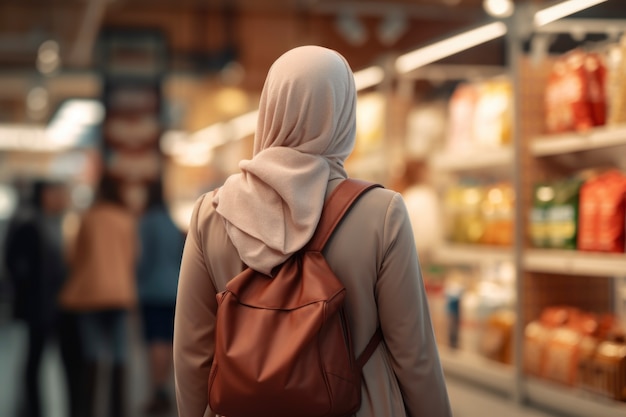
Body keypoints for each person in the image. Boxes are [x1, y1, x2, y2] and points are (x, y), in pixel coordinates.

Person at [173, 45, 452, 417]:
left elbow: (192, 353)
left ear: (269, 108)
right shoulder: (380, 213)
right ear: (342, 114)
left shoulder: (211, 213)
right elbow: (413, 354)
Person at [4, 179, 84, 417]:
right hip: (40, 304)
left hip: (55, 303)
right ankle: (32, 408)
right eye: (58, 194)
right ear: (46, 195)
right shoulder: (30, 223)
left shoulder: (54, 222)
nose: (63, 199)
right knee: (35, 360)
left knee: (50, 359)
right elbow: (18, 266)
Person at [59, 174, 138, 417]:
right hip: (120, 294)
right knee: (119, 354)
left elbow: (73, 257)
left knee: (92, 353)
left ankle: (89, 408)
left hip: (89, 295)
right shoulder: (127, 219)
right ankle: (118, 409)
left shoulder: (88, 218)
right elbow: (135, 257)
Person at [137, 181, 185, 415]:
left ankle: (157, 391)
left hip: (152, 290)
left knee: (155, 341)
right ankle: (167, 388)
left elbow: (142, 260)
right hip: (174, 289)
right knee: (168, 340)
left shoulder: (146, 223)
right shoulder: (171, 223)